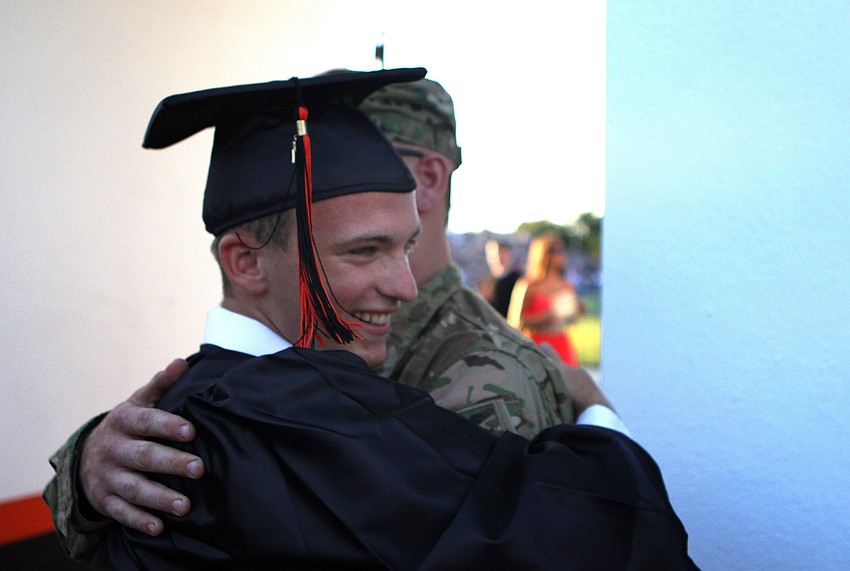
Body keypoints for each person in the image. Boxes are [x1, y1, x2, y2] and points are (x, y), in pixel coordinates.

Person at [74, 67, 695, 570]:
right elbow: (577, 538)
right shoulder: (173, 438)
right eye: (364, 250)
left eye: (403, 246)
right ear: (245, 262)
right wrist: (600, 419)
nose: (402, 286)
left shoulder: (185, 411)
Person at [508, 233, 583, 366]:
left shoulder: (566, 284)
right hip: (537, 346)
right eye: (554, 250)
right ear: (542, 253)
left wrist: (578, 311)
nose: (559, 254)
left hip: (561, 344)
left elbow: (569, 321)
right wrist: (548, 315)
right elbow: (516, 322)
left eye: (561, 250)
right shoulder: (529, 285)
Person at [483, 237, 523, 317]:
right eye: (493, 254)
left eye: (502, 253)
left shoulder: (518, 279)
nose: (498, 257)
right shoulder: (488, 280)